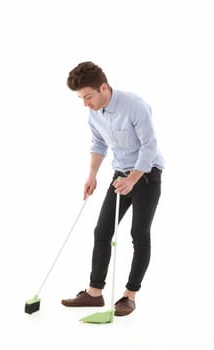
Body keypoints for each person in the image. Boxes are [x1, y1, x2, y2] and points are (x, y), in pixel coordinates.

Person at [61, 61, 165, 316]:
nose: (86, 103)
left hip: (147, 175)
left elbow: (149, 147)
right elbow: (98, 144)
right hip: (120, 175)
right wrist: (92, 175)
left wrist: (134, 179)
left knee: (139, 234)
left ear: (103, 87)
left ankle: (129, 296)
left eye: (88, 96)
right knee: (102, 230)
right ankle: (94, 294)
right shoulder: (94, 113)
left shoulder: (134, 105)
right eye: (81, 98)